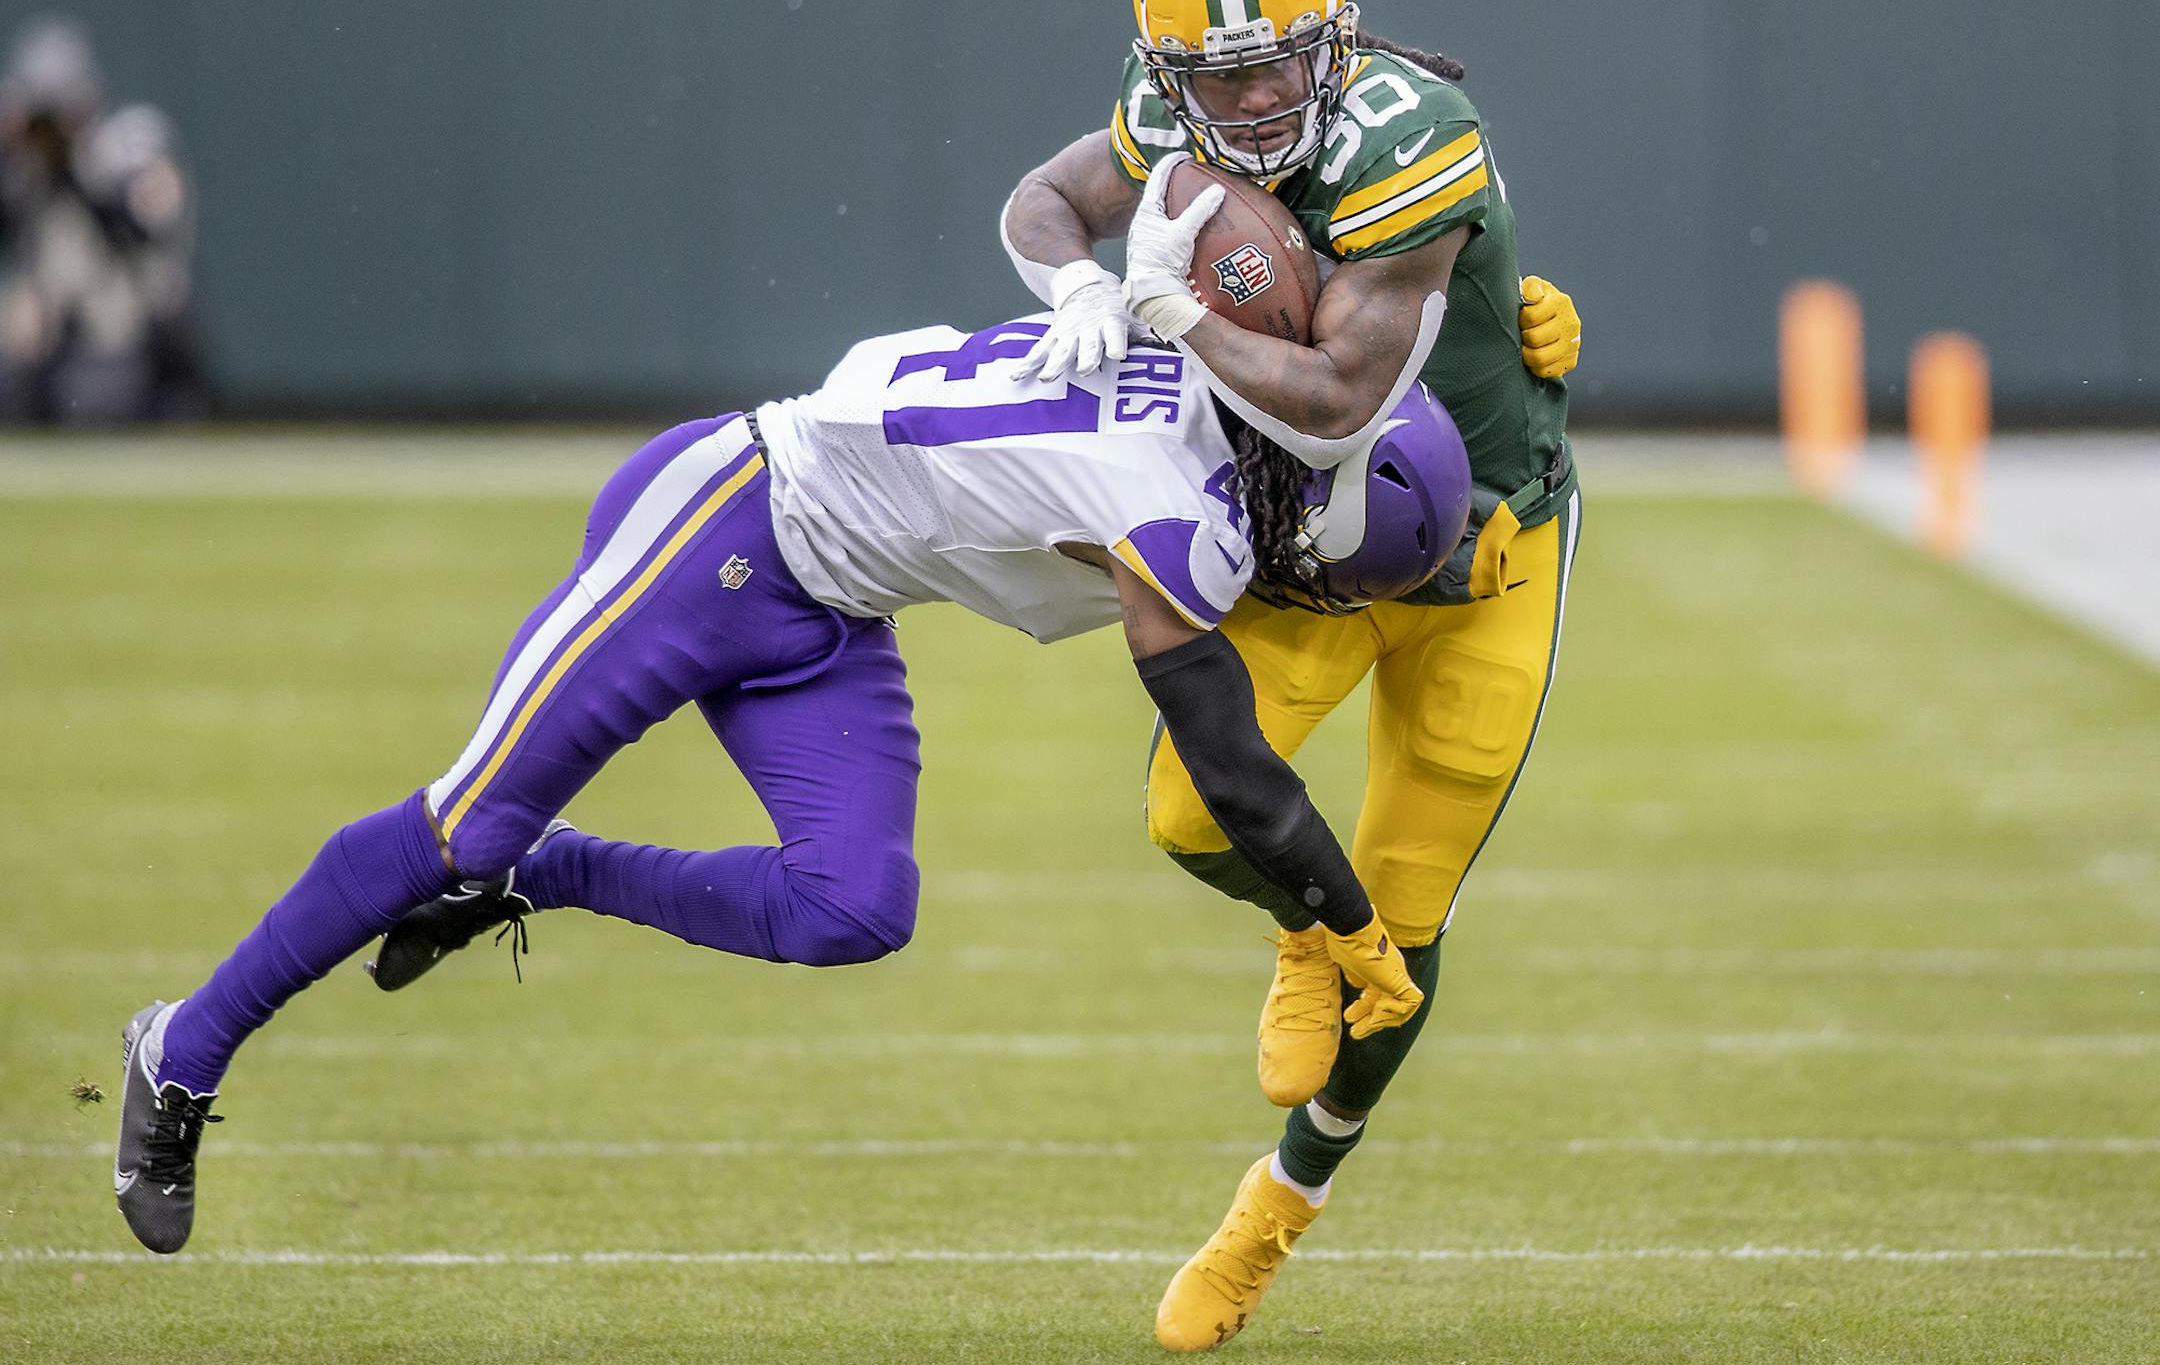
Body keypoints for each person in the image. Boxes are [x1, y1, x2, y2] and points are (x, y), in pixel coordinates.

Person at [110, 313, 1473, 1257]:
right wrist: (1354, 928)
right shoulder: (1183, 509)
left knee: (854, 902)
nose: (1308, 588)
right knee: (463, 814)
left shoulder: (1226, 370)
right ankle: (184, 1046)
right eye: (1325, 566)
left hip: (829, 607)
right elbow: (1237, 771)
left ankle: (541, 873)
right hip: (726, 520)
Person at [1000, 0, 1583, 1350]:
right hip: (1306, 561)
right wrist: (1076, 285)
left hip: (1476, 559)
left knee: (1411, 930)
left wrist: (1177, 311)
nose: (1251, 99)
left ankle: (1274, 1211)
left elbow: (1335, 401)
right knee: (1197, 819)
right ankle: (1302, 929)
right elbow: (1044, 200)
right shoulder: (1167, 111)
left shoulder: (1411, 137)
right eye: (1215, 72)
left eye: (1276, 60)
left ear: (1338, 33)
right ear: (1168, 65)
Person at [0, 16, 208, 425]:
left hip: (133, 338)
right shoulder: (23, 167)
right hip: (54, 340)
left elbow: (142, 226)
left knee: (92, 403)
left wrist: (73, 165)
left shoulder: (127, 142)